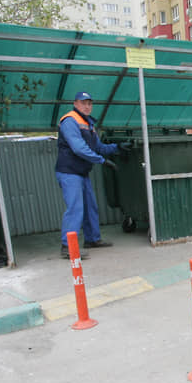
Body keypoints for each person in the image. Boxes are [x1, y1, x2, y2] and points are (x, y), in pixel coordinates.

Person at [55, 91, 130, 259]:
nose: (87, 106)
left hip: (81, 172)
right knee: (75, 209)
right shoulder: (70, 121)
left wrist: (117, 147)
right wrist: (102, 161)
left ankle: (92, 240)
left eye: (89, 103)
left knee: (90, 206)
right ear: (75, 104)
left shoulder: (88, 124)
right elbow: (78, 148)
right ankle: (68, 247)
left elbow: (99, 147)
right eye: (83, 103)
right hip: (69, 172)